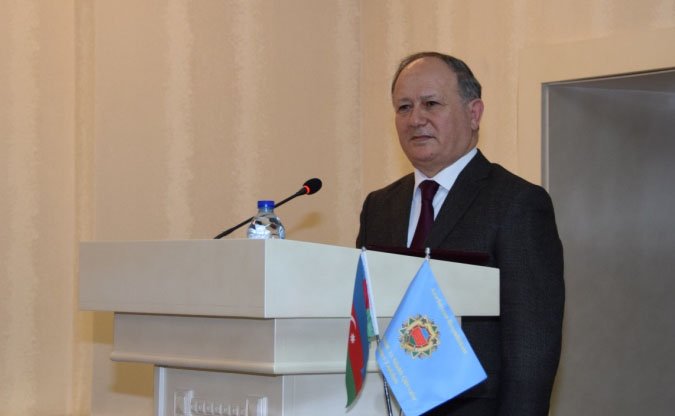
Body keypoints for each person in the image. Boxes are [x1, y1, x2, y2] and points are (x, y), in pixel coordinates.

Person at [356, 52, 564, 415]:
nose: (415, 119)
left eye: (431, 104)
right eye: (404, 107)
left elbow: (532, 347)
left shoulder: (517, 203)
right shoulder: (380, 205)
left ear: (474, 113)